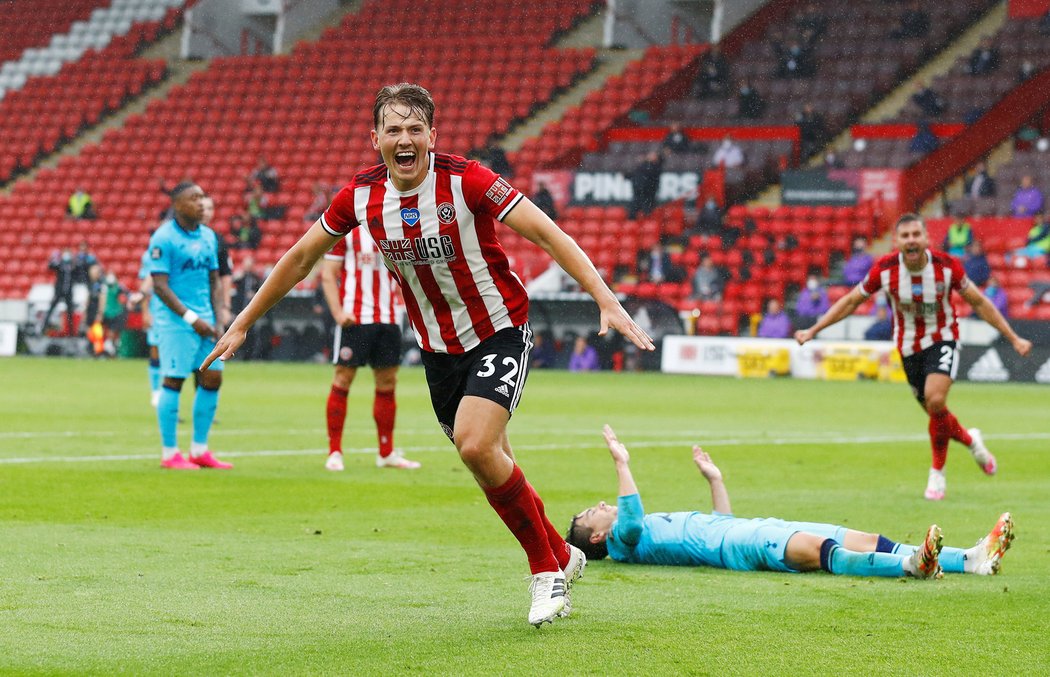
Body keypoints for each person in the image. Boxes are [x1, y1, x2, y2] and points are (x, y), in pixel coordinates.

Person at [201, 83, 655, 626]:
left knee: (475, 445)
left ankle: (546, 573)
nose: (405, 138)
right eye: (393, 130)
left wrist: (604, 297)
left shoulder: (468, 181)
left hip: (499, 331)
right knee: (491, 461)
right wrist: (242, 323)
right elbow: (300, 259)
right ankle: (562, 551)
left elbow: (546, 233)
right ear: (376, 139)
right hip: (438, 352)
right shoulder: (361, 197)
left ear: (433, 136)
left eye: (416, 129)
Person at [567, 426, 1015, 579]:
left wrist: (715, 480)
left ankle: (969, 559)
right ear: (600, 536)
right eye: (593, 511)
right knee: (823, 553)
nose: (601, 504)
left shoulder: (641, 533)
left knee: (859, 537)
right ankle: (911, 567)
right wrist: (621, 463)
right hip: (741, 548)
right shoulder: (625, 544)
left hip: (743, 530)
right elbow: (629, 519)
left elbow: (722, 521)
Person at [795, 214, 1032, 500]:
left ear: (926, 239)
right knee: (937, 414)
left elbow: (979, 302)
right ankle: (973, 442)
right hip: (908, 348)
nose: (911, 240)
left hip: (942, 338)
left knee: (935, 399)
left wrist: (1014, 337)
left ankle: (937, 474)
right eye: (905, 236)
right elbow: (850, 301)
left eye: (915, 235)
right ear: (896, 242)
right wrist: (814, 329)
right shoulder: (885, 269)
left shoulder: (947, 267)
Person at [148, 181, 233, 471]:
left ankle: (199, 449)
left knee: (212, 379)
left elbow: (214, 280)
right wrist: (191, 318)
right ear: (177, 204)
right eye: (193, 198)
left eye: (202, 197)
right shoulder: (163, 238)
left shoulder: (209, 237)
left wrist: (219, 317)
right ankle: (170, 453)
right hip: (176, 323)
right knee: (174, 379)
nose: (200, 203)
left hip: (207, 321)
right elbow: (159, 287)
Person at [320, 224, 419, 472]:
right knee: (343, 379)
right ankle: (335, 452)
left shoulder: (395, 226)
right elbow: (328, 274)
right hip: (355, 318)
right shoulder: (346, 230)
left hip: (388, 318)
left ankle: (386, 452)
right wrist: (338, 313)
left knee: (387, 382)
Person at [137, 242, 162, 407]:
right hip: (157, 309)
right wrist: (145, 311)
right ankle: (156, 391)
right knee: (155, 350)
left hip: (177, 310)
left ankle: (167, 393)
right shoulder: (150, 255)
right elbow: (144, 286)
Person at [41, 248, 76, 335]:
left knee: (69, 312)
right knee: (51, 309)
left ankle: (71, 332)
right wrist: (52, 258)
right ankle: (43, 327)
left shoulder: (72, 265)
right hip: (59, 291)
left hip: (68, 292)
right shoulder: (60, 264)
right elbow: (50, 266)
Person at [628, 150, 663, 220]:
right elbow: (635, 174)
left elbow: (647, 173)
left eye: (652, 155)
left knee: (647, 211)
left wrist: (643, 161)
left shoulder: (655, 167)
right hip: (638, 192)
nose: (649, 156)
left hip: (648, 193)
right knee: (633, 211)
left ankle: (647, 225)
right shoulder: (643, 166)